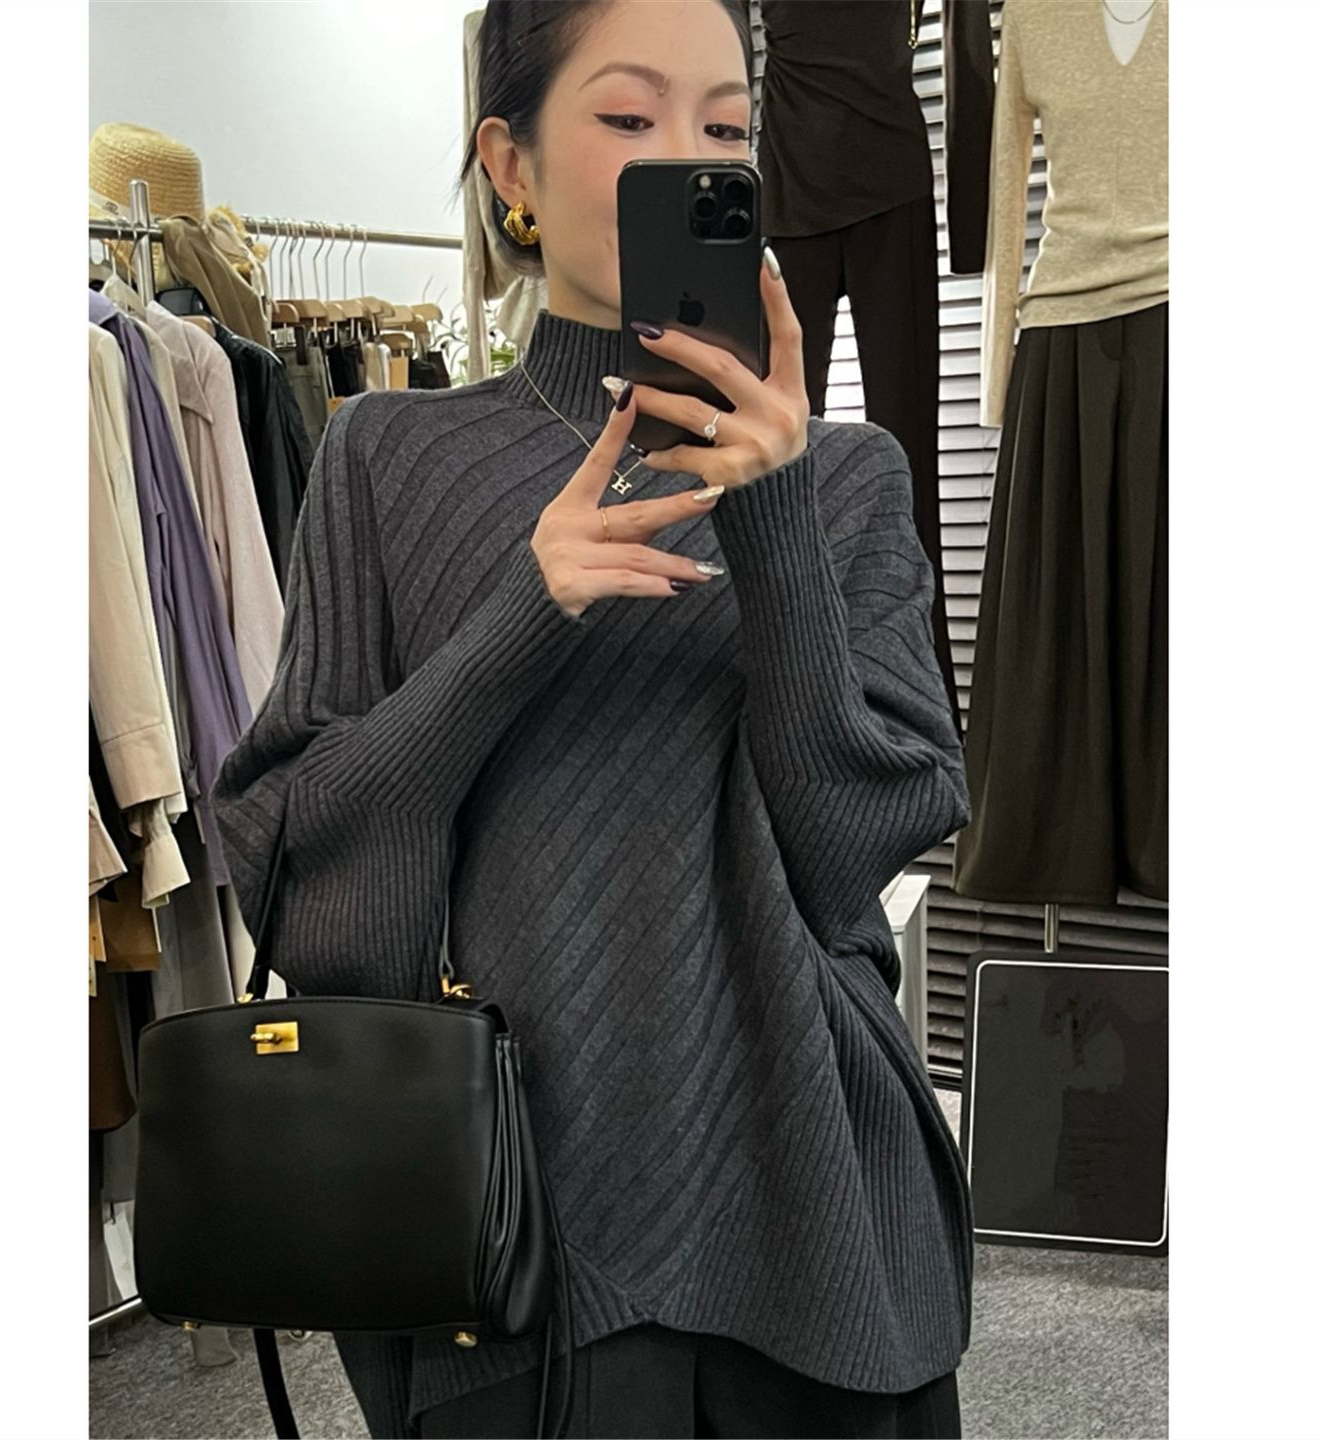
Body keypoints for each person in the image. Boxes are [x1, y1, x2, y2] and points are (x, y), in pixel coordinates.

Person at [210, 1, 974, 1435]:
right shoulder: (387, 458)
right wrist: (523, 614)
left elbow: (851, 856)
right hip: (505, 1243)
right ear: (510, 164)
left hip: (816, 1216)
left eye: (727, 128)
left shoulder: (847, 479)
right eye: (629, 118)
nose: (690, 159)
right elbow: (310, 881)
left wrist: (771, 514)